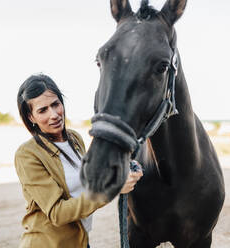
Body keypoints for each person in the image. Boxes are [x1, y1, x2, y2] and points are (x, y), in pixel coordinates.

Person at [15, 73, 143, 248]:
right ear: (31, 117)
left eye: (55, 104)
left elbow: (90, 180)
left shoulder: (74, 139)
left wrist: (123, 171)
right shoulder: (27, 155)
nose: (53, 114)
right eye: (42, 110)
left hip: (81, 242)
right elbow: (57, 213)